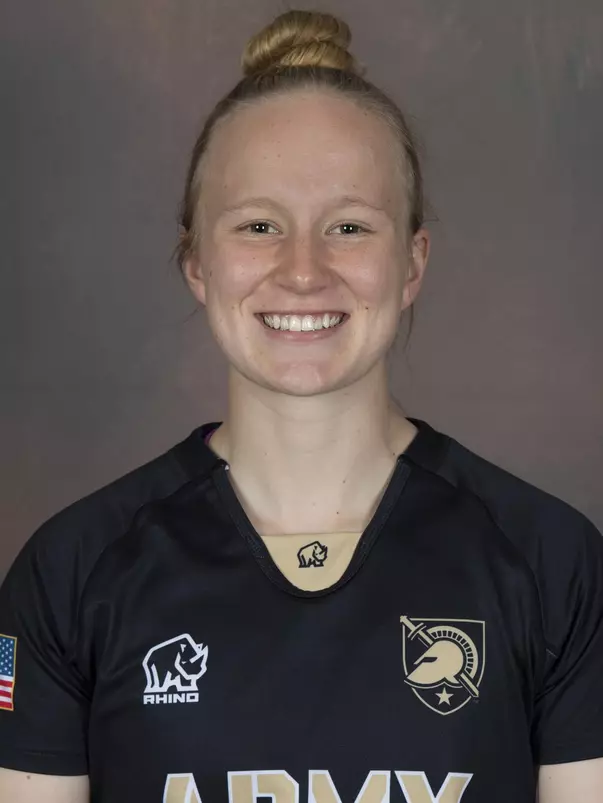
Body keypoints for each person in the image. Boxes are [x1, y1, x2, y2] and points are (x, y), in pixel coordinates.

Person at [0, 8, 602, 803]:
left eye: (348, 225)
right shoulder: (68, 573)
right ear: (197, 264)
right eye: (258, 225)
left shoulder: (552, 562)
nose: (304, 271)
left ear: (412, 262)